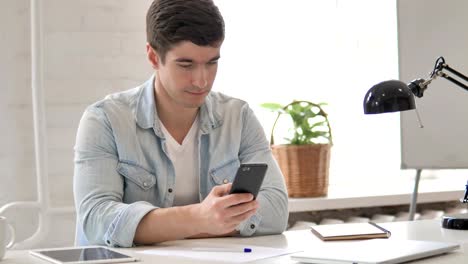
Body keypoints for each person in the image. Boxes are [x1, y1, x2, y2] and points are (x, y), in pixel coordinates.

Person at [73, 0, 288, 248]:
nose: (201, 80)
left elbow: (276, 211)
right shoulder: (105, 120)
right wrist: (199, 219)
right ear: (154, 56)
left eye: (211, 62)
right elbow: (96, 219)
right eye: (186, 65)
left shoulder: (238, 117)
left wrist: (160, 229)